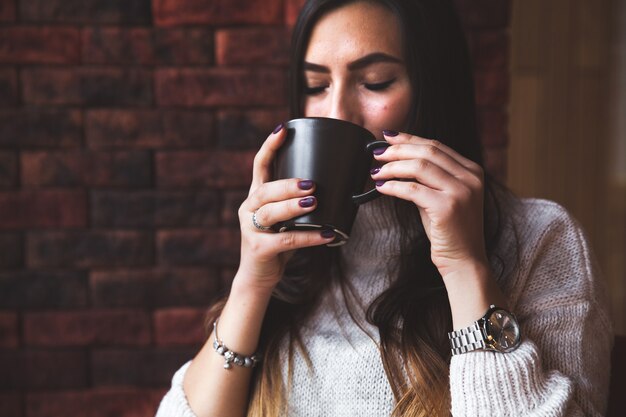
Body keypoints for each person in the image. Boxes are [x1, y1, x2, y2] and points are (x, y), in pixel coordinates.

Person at [155, 0, 613, 416]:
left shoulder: (540, 238)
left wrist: (464, 266)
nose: (336, 113)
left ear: (434, 89)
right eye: (315, 85)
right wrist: (251, 284)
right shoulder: (291, 261)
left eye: (376, 82)